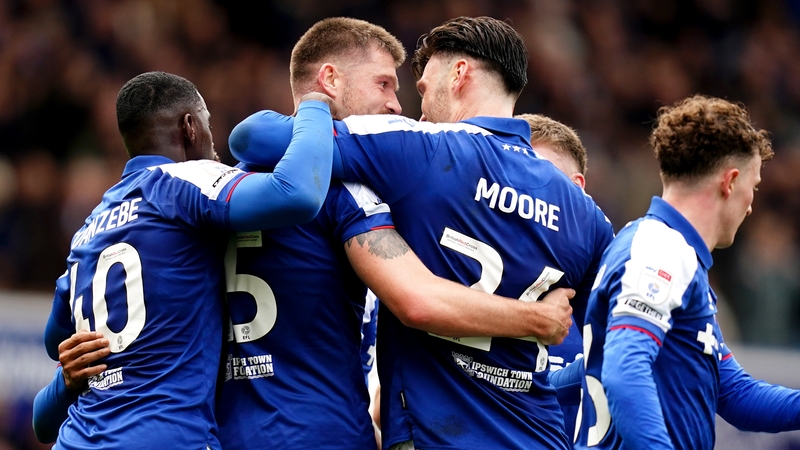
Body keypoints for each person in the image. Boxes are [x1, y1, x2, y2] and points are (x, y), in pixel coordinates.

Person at [228, 16, 615, 450]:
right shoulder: (586, 213)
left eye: (424, 90)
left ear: (459, 74)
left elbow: (256, 137)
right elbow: (617, 347)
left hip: (438, 434)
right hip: (539, 435)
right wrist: (539, 351)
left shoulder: (420, 148)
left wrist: (314, 106)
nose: (417, 110)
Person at [35, 71, 339, 449]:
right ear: (190, 127)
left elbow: (52, 353)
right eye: (208, 123)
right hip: (168, 436)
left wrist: (65, 384)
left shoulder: (89, 229)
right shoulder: (182, 180)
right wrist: (314, 105)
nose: (214, 141)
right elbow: (298, 194)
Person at [574, 95, 800, 449]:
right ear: (730, 182)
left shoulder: (667, 250)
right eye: (753, 187)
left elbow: (736, 394)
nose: (751, 205)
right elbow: (624, 372)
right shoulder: (661, 249)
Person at [517, 112, 591, 445]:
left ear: (577, 189)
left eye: (541, 176)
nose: (526, 195)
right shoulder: (471, 282)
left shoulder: (612, 283)